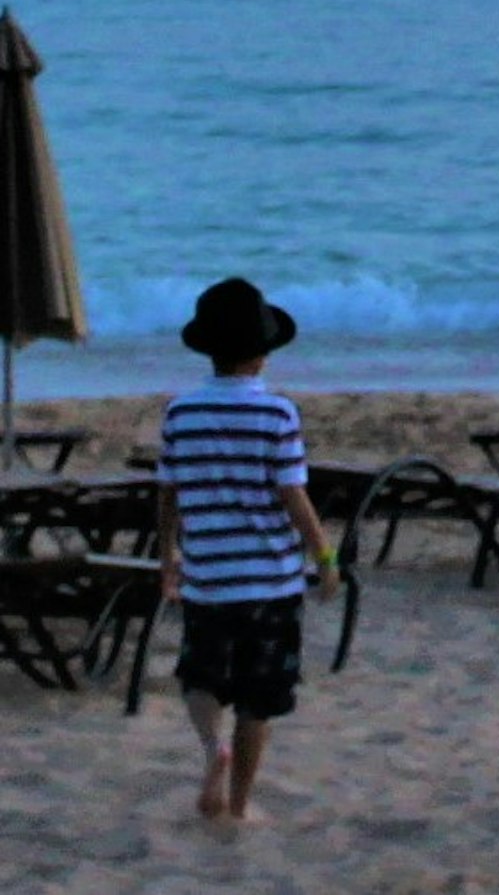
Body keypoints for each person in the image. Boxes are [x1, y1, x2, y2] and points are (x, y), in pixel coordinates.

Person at [155, 276, 339, 824]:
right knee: (260, 699)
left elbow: (168, 496)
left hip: (209, 576)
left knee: (200, 678)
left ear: (208, 350)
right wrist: (325, 558)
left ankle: (214, 749)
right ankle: (238, 804)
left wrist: (169, 560)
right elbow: (293, 495)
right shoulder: (277, 414)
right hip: (271, 581)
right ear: (262, 353)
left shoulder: (179, 414)